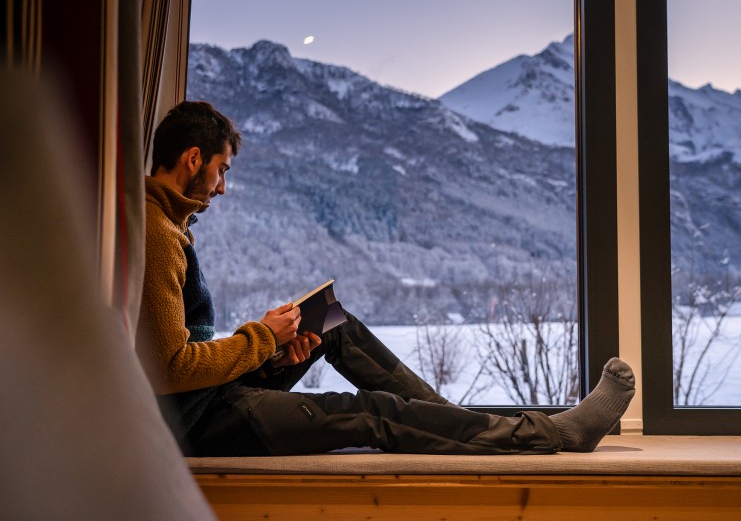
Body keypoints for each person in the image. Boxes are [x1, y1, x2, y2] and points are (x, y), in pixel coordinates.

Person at [136, 100, 636, 457]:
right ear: (194, 159)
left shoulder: (165, 225)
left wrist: (275, 343)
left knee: (330, 320)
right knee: (373, 413)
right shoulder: (155, 233)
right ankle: (550, 434)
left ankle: (461, 424)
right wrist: (263, 337)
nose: (223, 188)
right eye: (221, 170)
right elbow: (170, 367)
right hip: (194, 422)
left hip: (202, 399)